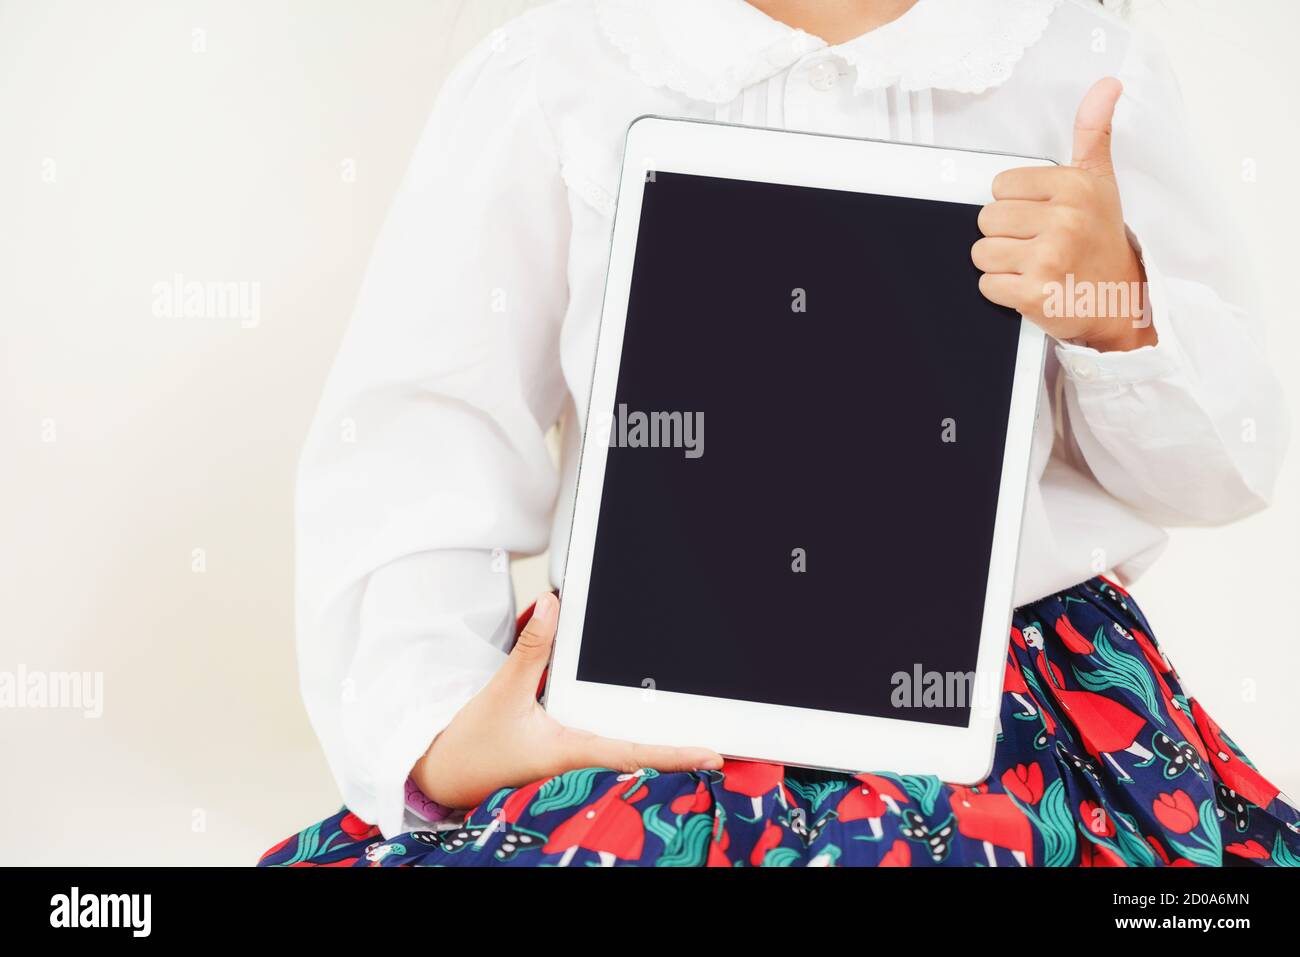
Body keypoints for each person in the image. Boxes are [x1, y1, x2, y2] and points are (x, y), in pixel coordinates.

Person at [260, 0, 1299, 867]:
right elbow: (422, 436)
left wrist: (1117, 303)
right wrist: (438, 734)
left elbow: (1219, 471)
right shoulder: (557, 67)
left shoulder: (1080, 67)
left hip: (1015, 707)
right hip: (644, 703)